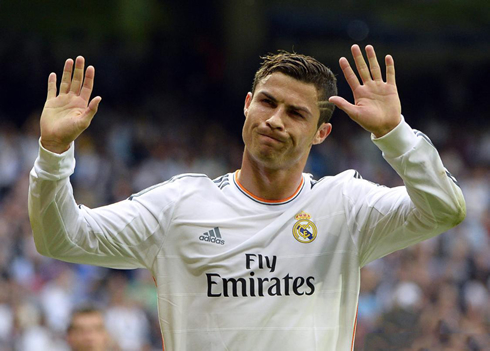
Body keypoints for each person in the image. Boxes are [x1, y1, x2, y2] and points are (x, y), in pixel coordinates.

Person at [28, 45, 466, 350]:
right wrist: (53, 153)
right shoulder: (179, 207)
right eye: (267, 102)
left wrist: (395, 135)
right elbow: (61, 238)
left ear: (322, 133)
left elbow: (445, 210)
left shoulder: (345, 206)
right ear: (246, 105)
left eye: (295, 113)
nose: (275, 120)